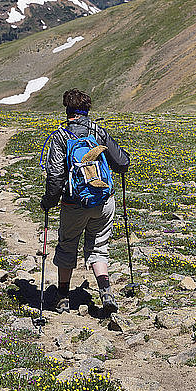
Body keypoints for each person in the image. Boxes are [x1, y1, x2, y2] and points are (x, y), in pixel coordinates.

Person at [40, 88, 130, 315]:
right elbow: (122, 163)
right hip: (103, 201)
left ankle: (62, 297)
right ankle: (106, 292)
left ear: (67, 110)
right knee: (99, 247)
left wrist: (49, 202)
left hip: (74, 204)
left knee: (67, 246)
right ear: (87, 110)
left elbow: (56, 176)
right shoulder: (98, 132)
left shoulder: (61, 137)